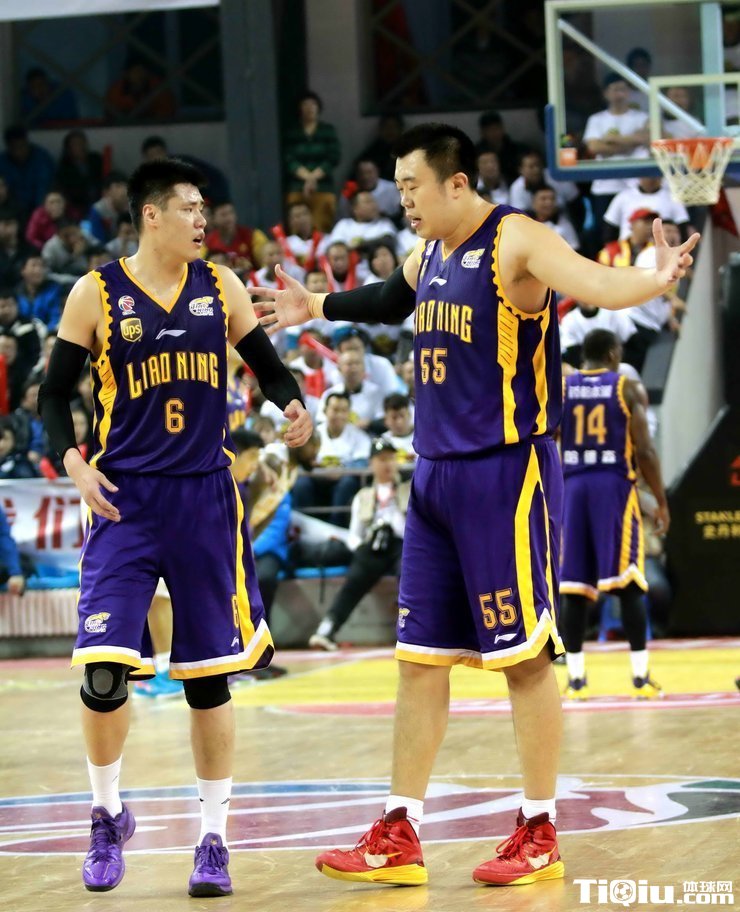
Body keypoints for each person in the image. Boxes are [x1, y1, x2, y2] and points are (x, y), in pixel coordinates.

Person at [250, 121, 697, 888]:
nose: (404, 200)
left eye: (413, 187)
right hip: (434, 477)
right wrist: (315, 302)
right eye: (399, 188)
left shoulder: (516, 239)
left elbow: (593, 281)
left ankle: (539, 829)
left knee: (524, 658)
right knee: (420, 661)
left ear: (457, 183)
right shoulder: (428, 252)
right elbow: (389, 298)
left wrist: (654, 278)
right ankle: (399, 831)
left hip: (505, 471)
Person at [37, 157, 312, 897]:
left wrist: (291, 404)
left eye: (204, 208)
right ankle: (106, 816)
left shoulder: (221, 287)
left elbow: (268, 368)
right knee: (103, 674)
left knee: (208, 682)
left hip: (203, 501)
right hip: (123, 501)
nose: (203, 219)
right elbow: (54, 393)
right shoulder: (95, 293)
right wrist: (73, 462)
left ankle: (212, 838)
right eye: (190, 207)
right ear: (151, 215)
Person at [559, 329, 668, 699]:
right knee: (628, 581)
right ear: (611, 353)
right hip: (612, 486)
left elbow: (546, 437)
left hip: (573, 488)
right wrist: (661, 500)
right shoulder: (625, 388)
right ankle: (640, 677)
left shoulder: (563, 389)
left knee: (574, 587)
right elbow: (645, 451)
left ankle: (576, 681)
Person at [309, 438, 408, 650]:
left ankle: (410, 631)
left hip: (402, 544)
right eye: (382, 459)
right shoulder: (363, 496)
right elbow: (354, 535)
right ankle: (327, 628)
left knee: (408, 573)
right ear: (372, 463)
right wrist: (361, 548)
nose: (388, 464)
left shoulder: (408, 490)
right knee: (356, 576)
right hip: (372, 546)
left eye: (391, 459)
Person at [283, 91, 341, 232]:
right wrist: (307, 177)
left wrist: (314, 177)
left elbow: (334, 157)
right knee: (297, 225)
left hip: (323, 185)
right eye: (305, 104)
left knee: (322, 225)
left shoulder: (327, 130)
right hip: (297, 185)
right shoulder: (292, 131)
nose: (310, 108)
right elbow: (288, 158)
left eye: (313, 104)